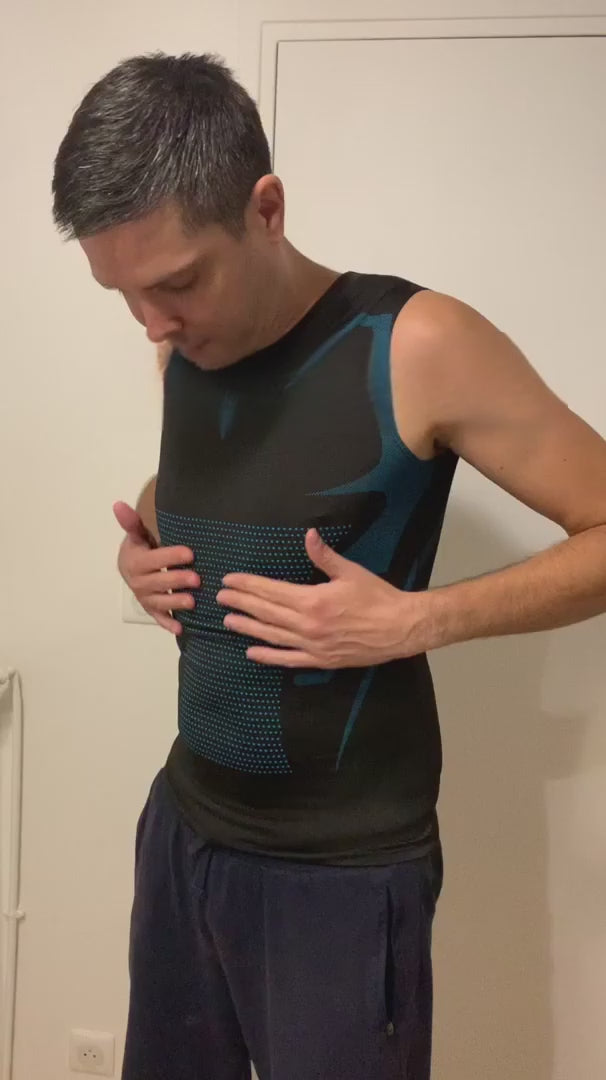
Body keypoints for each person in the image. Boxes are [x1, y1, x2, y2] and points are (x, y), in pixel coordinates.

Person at [52, 52, 606, 1080]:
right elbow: (231, 480)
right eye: (121, 294)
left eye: (176, 283)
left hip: (340, 876)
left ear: (265, 209)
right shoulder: (182, 343)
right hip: (183, 830)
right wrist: (149, 546)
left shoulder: (416, 341)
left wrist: (418, 620)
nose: (152, 324)